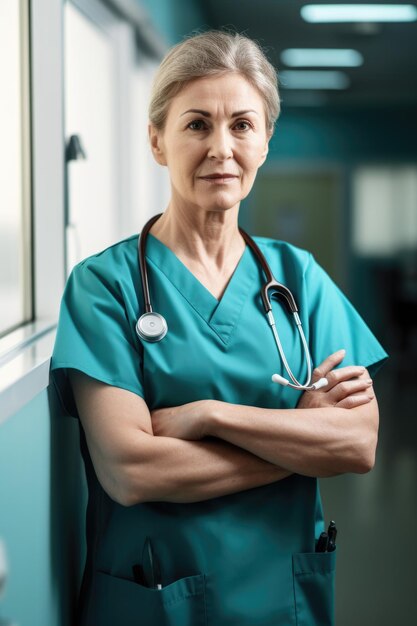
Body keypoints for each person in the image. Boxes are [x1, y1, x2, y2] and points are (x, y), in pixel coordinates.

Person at [50, 30, 387, 626]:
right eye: (197, 124)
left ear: (265, 141)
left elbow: (357, 443)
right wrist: (300, 440)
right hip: (157, 597)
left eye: (241, 125)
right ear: (157, 141)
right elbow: (132, 471)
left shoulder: (297, 278)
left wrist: (208, 415)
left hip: (285, 599)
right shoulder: (105, 285)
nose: (221, 148)